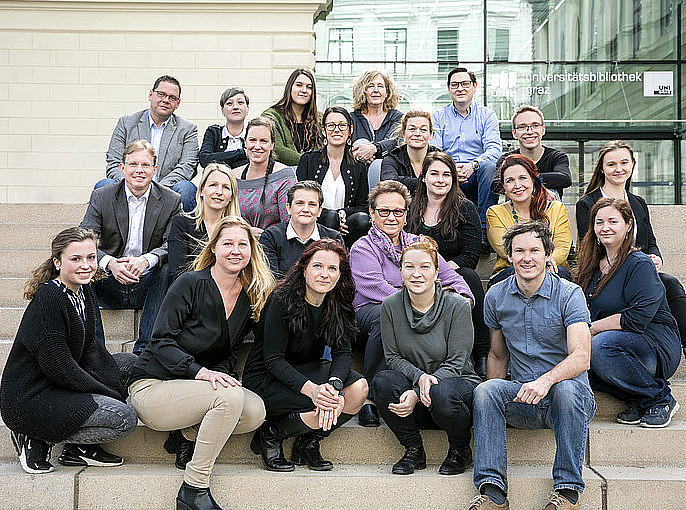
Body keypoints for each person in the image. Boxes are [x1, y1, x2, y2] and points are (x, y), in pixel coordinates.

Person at [128, 216, 272, 510]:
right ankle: (194, 489)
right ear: (214, 248)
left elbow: (231, 350)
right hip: (154, 386)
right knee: (229, 397)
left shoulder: (249, 296)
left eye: (242, 244)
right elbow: (160, 341)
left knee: (255, 411)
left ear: (251, 250)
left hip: (196, 392)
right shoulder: (190, 282)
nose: (235, 250)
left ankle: (186, 433)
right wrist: (200, 372)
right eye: (227, 243)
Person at [468, 221, 595, 510]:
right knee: (486, 391)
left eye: (535, 250)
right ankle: (493, 495)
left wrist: (545, 381)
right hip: (523, 397)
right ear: (509, 256)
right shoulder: (496, 296)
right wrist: (494, 397)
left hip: (569, 400)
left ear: (548, 254)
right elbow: (498, 357)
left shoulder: (569, 293)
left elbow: (581, 357)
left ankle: (567, 494)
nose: (527, 257)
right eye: (520, 251)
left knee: (566, 390)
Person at [0, 227, 137, 474]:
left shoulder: (83, 290)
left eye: (91, 257)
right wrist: (107, 391)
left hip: (60, 385)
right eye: (75, 259)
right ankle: (34, 435)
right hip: (32, 398)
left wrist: (111, 382)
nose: (86, 265)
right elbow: (59, 366)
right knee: (124, 418)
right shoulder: (50, 298)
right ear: (57, 262)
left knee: (131, 363)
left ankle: (78, 451)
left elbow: (91, 351)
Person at [350, 180, 474, 427]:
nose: (391, 217)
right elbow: (377, 289)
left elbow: (452, 278)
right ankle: (371, 398)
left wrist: (461, 299)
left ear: (406, 214)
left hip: (418, 309)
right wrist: (424, 300)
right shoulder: (362, 247)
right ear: (372, 213)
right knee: (385, 314)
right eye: (384, 211)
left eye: (398, 211)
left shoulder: (419, 244)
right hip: (368, 313)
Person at [243, 239, 369, 472]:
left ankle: (308, 441)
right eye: (318, 266)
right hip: (267, 379)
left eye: (333, 269)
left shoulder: (337, 302)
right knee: (322, 402)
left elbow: (342, 352)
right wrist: (313, 390)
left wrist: (333, 384)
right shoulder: (282, 298)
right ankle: (270, 435)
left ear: (340, 274)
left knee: (358, 389)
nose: (325, 274)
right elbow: (273, 359)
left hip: (308, 370)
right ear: (304, 269)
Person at [374, 238, 480, 476]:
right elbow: (393, 357)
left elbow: (457, 361)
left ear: (435, 272)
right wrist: (419, 379)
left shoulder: (457, 306)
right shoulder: (390, 306)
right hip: (418, 386)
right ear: (400, 272)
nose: (416, 274)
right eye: (409, 267)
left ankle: (460, 450)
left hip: (454, 388)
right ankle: (413, 450)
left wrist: (419, 390)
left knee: (441, 392)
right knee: (383, 381)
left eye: (424, 267)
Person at [575, 198, 681, 429]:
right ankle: (637, 397)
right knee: (576, 358)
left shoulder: (639, 263)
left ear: (628, 225)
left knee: (599, 346)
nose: (605, 227)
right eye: (599, 222)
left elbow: (637, 318)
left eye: (613, 221)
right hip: (615, 343)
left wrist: (590, 330)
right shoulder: (592, 266)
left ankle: (660, 398)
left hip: (653, 345)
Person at [575, 140, 686, 359]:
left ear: (633, 164)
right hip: (608, 270)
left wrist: (656, 258)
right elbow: (588, 246)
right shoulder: (587, 203)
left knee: (671, 284)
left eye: (624, 163)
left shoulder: (638, 202)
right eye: (612, 164)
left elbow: (650, 241)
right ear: (602, 169)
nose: (619, 169)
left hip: (639, 270)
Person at [81, 140, 181, 353]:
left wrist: (147, 259)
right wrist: (110, 263)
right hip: (109, 282)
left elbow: (172, 243)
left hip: (148, 283)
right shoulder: (102, 196)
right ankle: (96, 351)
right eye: (133, 164)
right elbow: (84, 241)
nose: (139, 170)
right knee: (82, 268)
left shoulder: (172, 200)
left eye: (145, 165)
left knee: (166, 268)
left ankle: (145, 350)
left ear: (154, 170)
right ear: (122, 168)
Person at [406, 151, 489, 378]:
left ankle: (482, 354)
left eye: (446, 174)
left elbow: (471, 255)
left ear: (453, 179)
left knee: (470, 277)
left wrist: (440, 272)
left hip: (452, 273)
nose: (440, 179)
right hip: (416, 274)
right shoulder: (411, 208)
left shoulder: (465, 208)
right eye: (434, 173)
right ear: (423, 177)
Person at [103, 75, 199, 212]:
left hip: (167, 189)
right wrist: (133, 184)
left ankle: (182, 234)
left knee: (186, 188)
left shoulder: (187, 129)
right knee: (105, 185)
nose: (166, 100)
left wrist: (155, 188)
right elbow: (113, 162)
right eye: (161, 94)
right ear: (150, 95)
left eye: (172, 98)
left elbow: (187, 166)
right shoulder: (126, 123)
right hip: (129, 186)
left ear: (178, 103)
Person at [432, 67, 502, 229]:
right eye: (455, 85)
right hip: (448, 173)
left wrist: (473, 165)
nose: (460, 88)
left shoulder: (487, 115)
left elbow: (494, 149)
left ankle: (484, 228)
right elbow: (435, 151)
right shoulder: (438, 116)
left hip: (477, 174)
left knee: (490, 167)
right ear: (449, 89)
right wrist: (451, 168)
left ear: (474, 86)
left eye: (465, 84)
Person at [486, 154, 572, 286]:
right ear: (503, 186)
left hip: (552, 267)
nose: (517, 185)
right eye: (509, 181)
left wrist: (543, 264)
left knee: (559, 273)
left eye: (523, 178)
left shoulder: (556, 208)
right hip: (511, 270)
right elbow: (505, 249)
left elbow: (562, 247)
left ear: (533, 180)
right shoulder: (495, 212)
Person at [296, 106, 370, 246]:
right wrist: (332, 217)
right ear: (324, 131)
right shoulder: (308, 160)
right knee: (330, 216)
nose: (337, 129)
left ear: (350, 130)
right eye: (331, 125)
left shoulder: (358, 166)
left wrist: (343, 213)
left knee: (363, 219)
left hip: (346, 226)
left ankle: (350, 257)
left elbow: (363, 205)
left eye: (342, 125)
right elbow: (300, 198)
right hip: (315, 220)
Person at [168, 163, 241, 283]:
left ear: (231, 196)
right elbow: (177, 273)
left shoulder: (239, 229)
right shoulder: (182, 223)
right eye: (213, 185)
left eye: (226, 187)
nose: (219, 192)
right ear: (202, 190)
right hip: (191, 294)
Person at [260, 181, 343, 279]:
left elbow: (339, 279)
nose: (306, 209)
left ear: (320, 210)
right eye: (300, 203)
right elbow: (270, 280)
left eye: (312, 204)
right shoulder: (271, 237)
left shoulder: (333, 238)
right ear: (288, 208)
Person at [232, 117, 297, 237]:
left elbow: (289, 223)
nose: (257, 146)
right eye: (252, 140)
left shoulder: (285, 176)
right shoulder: (233, 176)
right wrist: (247, 232)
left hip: (273, 247)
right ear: (245, 142)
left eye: (263, 141)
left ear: (272, 144)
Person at [494, 105, 571, 199]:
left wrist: (521, 180)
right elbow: (495, 184)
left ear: (543, 130)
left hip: (548, 210)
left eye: (535, 126)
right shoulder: (507, 159)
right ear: (514, 133)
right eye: (522, 127)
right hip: (516, 210)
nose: (529, 131)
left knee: (550, 191)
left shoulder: (556, 156)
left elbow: (565, 179)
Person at [262, 68, 322, 166]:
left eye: (309, 87)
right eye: (299, 85)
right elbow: (277, 149)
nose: (304, 90)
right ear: (290, 87)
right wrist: (308, 164)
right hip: (284, 175)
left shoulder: (320, 118)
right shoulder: (272, 117)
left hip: (315, 176)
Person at [349, 69, 403, 164]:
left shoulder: (397, 117)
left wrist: (373, 149)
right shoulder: (352, 118)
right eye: (370, 86)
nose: (376, 90)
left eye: (380, 86)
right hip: (356, 169)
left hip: (386, 170)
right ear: (363, 92)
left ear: (387, 93)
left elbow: (394, 141)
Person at [380, 110, 440, 195]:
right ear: (403, 133)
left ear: (431, 134)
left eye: (423, 130)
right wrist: (430, 182)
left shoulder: (440, 158)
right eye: (412, 129)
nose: (417, 134)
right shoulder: (391, 159)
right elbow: (389, 183)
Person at [198, 87, 250, 169]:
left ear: (247, 109)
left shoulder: (253, 134)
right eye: (229, 103)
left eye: (240, 102)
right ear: (222, 110)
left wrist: (221, 159)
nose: (235, 107)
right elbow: (204, 160)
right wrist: (242, 153)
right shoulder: (214, 132)